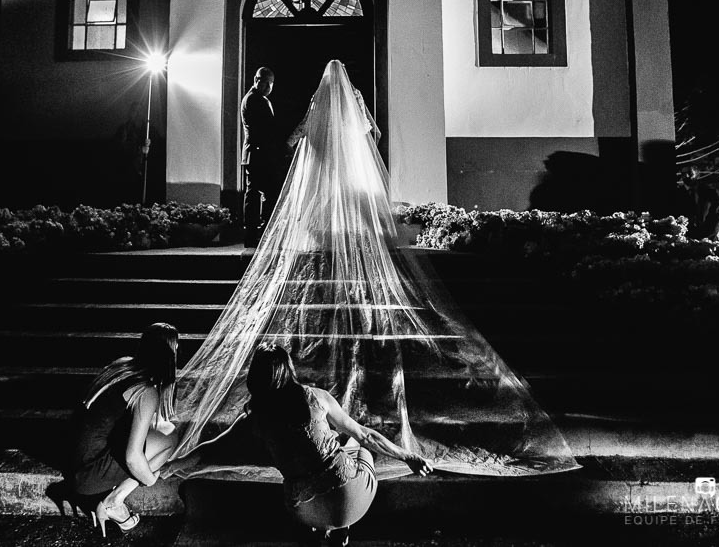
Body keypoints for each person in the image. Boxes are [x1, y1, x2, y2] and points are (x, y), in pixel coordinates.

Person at [168, 60, 578, 500]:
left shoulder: (319, 103)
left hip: (329, 168)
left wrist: (298, 144)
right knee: (349, 211)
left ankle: (331, 251)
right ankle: (347, 255)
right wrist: (361, 144)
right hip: (349, 166)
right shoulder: (354, 101)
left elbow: (303, 133)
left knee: (326, 210)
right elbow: (372, 133)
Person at [166, 344, 432, 546]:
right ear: (289, 370)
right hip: (353, 501)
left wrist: (170, 466)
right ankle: (341, 528)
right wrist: (408, 456)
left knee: (308, 462)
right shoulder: (316, 397)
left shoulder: (253, 419)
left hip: (304, 511)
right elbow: (367, 436)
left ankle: (321, 528)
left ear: (256, 378)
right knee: (356, 444)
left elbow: (210, 449)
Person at [56, 323, 180, 536]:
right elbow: (132, 457)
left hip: (71, 460)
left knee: (158, 428)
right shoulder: (146, 391)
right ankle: (114, 501)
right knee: (170, 436)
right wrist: (149, 479)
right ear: (169, 356)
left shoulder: (122, 365)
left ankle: (106, 494)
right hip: (87, 475)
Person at [242, 66, 283, 247]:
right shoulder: (254, 100)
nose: (268, 87)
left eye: (270, 83)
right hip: (257, 153)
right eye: (265, 82)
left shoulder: (259, 99)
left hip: (258, 153)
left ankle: (257, 233)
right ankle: (255, 234)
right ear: (256, 80)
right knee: (257, 194)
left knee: (259, 193)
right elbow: (266, 128)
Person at [677, 165, 719, 240]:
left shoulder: (709, 192)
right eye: (684, 174)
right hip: (685, 240)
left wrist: (706, 237)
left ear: (697, 174)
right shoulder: (677, 195)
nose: (687, 176)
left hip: (708, 239)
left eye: (690, 173)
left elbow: (716, 217)